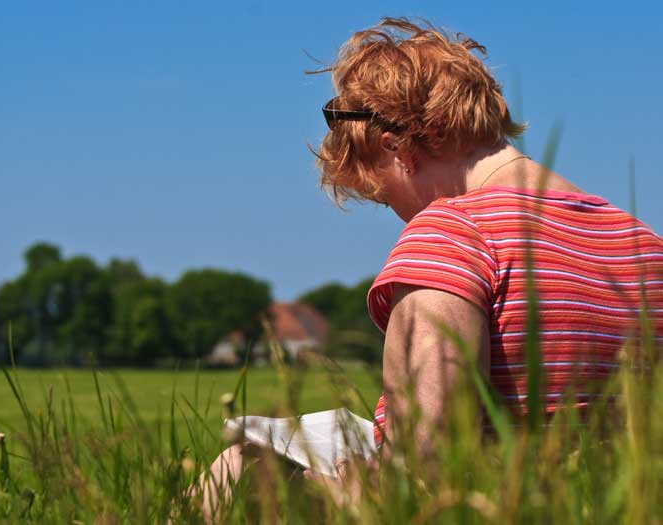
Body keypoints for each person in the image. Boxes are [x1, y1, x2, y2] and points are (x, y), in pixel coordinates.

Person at [197, 16, 663, 517]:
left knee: (240, 468)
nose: (400, 214)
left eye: (384, 196)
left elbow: (428, 462)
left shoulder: (452, 232)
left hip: (490, 507)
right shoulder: (645, 245)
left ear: (397, 149)